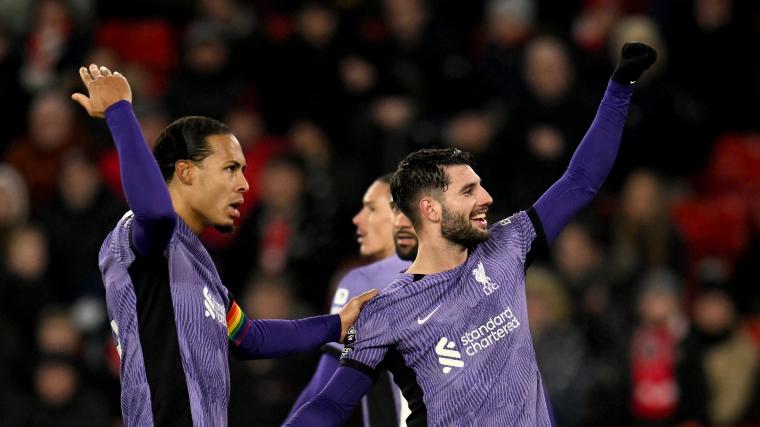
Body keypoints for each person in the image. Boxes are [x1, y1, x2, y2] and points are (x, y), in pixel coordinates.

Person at [284, 42, 657, 426]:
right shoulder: (387, 312)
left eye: (480, 186)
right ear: (430, 210)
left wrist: (620, 86)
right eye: (468, 191)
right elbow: (330, 405)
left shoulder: (509, 245)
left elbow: (581, 180)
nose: (487, 198)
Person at [71, 64, 376, 426]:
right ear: (185, 172)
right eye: (231, 168)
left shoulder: (198, 260)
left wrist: (336, 324)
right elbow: (155, 213)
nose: (246, 184)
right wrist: (120, 111)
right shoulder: (142, 235)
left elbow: (249, 337)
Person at [289, 174, 420, 426]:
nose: (357, 219)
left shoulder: (364, 281)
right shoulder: (459, 271)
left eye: (371, 209)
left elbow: (324, 390)